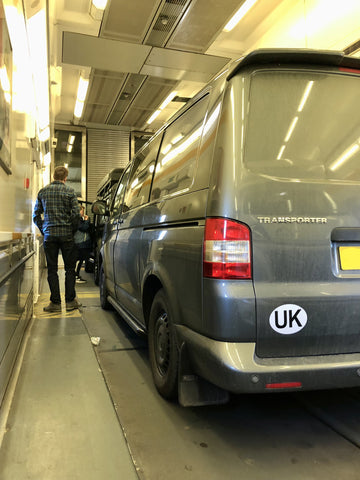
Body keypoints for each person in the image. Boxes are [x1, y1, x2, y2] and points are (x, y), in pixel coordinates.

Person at [33, 165, 81, 312]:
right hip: (66, 235)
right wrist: (71, 230)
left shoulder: (43, 192)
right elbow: (76, 215)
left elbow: (36, 216)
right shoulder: (70, 191)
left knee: (52, 270)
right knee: (70, 269)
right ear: (65, 178)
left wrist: (45, 230)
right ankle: (70, 301)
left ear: (53, 176)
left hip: (50, 237)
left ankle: (55, 303)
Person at [74, 205, 92, 283]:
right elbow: (84, 228)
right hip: (80, 243)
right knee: (78, 260)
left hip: (81, 243)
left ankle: (76, 275)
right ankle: (75, 276)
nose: (83, 213)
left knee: (80, 260)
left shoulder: (79, 219)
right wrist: (87, 220)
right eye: (82, 211)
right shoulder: (77, 219)